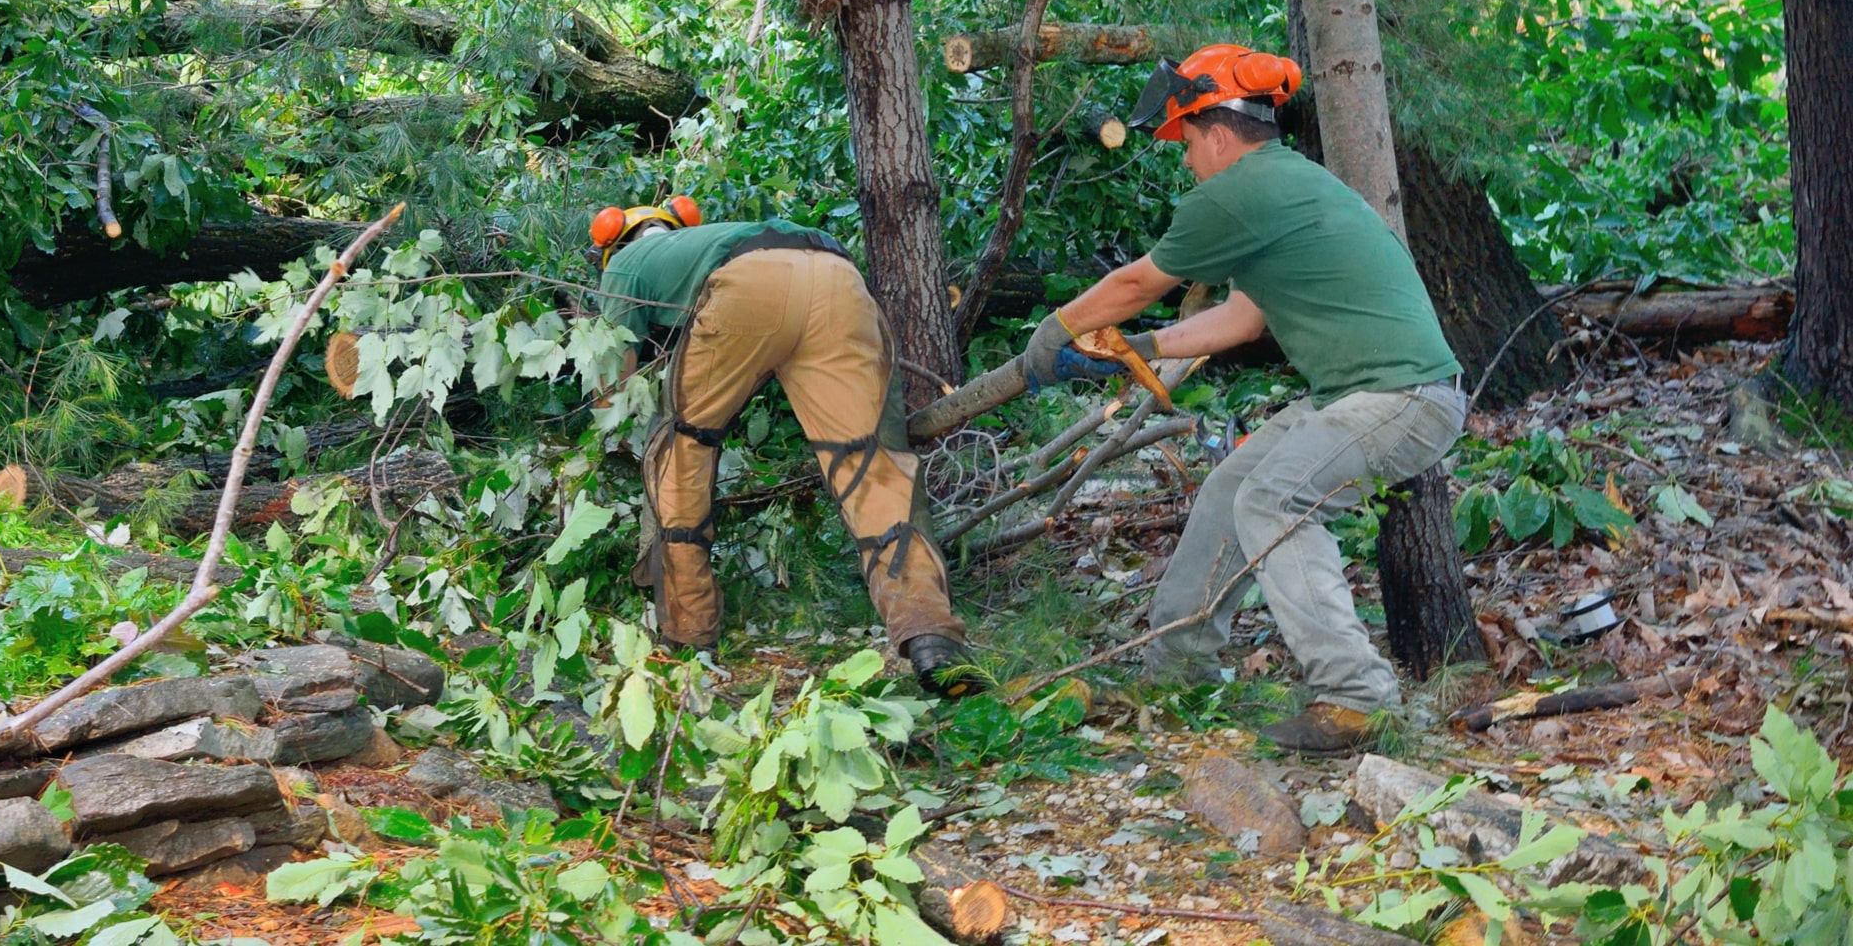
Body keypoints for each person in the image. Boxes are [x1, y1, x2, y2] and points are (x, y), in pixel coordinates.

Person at [1022, 44, 1467, 752]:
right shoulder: (1280, 187)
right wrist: (1136, 349)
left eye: (1189, 144)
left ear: (1220, 134)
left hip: (1401, 398)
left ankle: (1358, 699)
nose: (1188, 162)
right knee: (1233, 485)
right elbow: (1242, 318)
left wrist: (1060, 327)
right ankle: (1176, 673)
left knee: (1272, 498)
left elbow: (1138, 285)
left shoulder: (1238, 192)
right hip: (1360, 395)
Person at [587, 198, 987, 697]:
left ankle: (689, 632)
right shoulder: (715, 236)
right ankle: (928, 631)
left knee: (685, 447)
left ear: (611, 245)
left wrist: (610, 441)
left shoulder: (624, 263)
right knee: (870, 463)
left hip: (748, 288)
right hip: (840, 280)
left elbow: (614, 390)